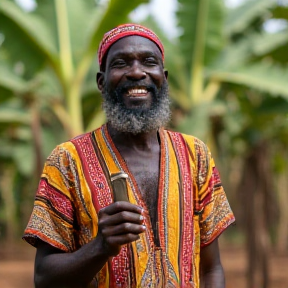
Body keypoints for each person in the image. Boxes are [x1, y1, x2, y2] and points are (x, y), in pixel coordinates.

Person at [23, 23, 235, 288]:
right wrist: (100, 247)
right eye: (121, 63)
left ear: (163, 78)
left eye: (148, 62)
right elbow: (44, 278)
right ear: (101, 82)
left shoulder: (196, 154)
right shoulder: (67, 160)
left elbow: (212, 269)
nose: (136, 72)